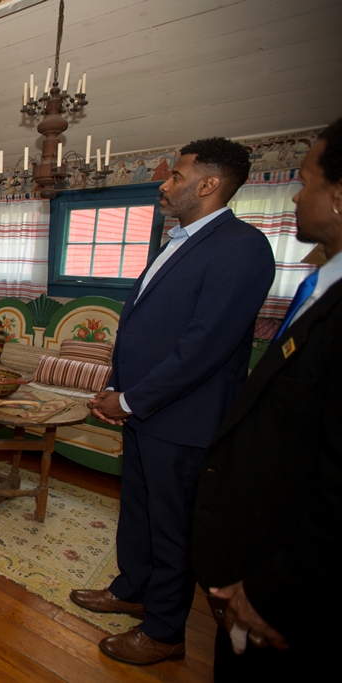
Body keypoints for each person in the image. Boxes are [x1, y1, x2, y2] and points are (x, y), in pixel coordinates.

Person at [71, 138, 276, 664]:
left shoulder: (243, 247)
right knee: (137, 513)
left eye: (176, 176)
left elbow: (202, 348)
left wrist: (132, 400)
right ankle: (132, 589)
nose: (165, 184)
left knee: (171, 527)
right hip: (144, 413)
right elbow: (147, 326)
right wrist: (119, 391)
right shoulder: (177, 241)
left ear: (209, 184)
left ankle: (165, 631)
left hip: (182, 420)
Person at [192, 119, 342, 681]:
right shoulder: (322, 284)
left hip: (288, 584)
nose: (297, 195)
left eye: (304, 182)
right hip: (256, 555)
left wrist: (276, 589)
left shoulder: (247, 251)